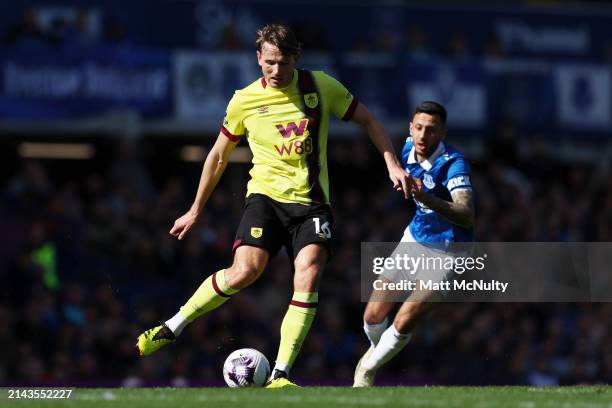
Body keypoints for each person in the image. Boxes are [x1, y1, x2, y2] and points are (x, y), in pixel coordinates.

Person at [136, 23, 413, 388]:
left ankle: (280, 374)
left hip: (312, 204)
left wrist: (392, 162)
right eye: (269, 62)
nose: (276, 71)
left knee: (309, 271)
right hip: (265, 199)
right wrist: (195, 209)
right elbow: (218, 156)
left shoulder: (320, 86)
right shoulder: (244, 100)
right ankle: (172, 326)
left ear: (296, 59)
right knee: (245, 271)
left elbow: (368, 120)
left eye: (283, 63)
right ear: (258, 59)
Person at [353, 101, 475, 387]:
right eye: (418, 128)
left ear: (442, 132)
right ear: (410, 128)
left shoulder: (453, 163)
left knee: (405, 317)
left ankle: (367, 370)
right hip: (415, 238)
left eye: (431, 130)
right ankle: (377, 354)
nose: (423, 136)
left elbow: (466, 214)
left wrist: (427, 198)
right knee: (372, 316)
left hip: (449, 250)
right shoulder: (407, 149)